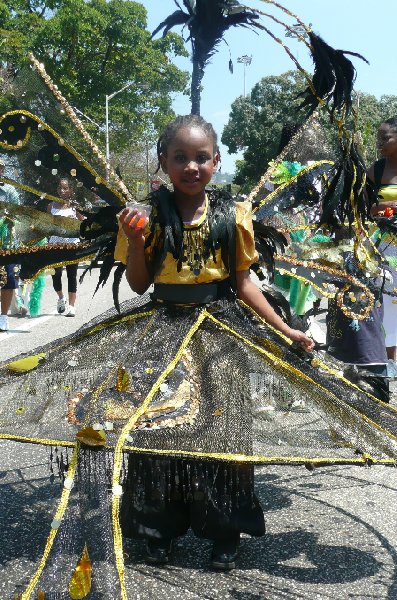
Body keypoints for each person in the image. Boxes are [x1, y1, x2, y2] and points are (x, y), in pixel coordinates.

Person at [116, 114, 313, 570]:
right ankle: (156, 531)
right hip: (162, 330)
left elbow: (243, 284)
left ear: (216, 161)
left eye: (201, 157)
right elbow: (139, 286)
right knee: (156, 430)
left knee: (221, 429)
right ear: (163, 162)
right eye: (180, 158)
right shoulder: (142, 215)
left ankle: (224, 531)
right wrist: (134, 238)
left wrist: (286, 330)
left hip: (220, 331)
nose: (191, 167)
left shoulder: (233, 216)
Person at [368, 116, 397, 362]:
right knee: (389, 299)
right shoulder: (376, 170)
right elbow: (362, 207)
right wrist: (386, 206)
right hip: (386, 245)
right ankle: (390, 358)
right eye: (378, 138)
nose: (379, 142)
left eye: (385, 138)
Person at [48, 177, 84, 317]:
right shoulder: (51, 206)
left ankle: (71, 306)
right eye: (60, 188)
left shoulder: (75, 207)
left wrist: (78, 223)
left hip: (71, 246)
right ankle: (61, 298)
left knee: (72, 275)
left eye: (65, 188)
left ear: (71, 190)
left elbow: (85, 222)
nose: (62, 191)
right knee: (56, 275)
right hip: (55, 246)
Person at [0, 158, 21, 331]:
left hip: (6, 243)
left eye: (0, 167)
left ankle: (3, 316)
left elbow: (17, 214)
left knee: (8, 281)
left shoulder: (9, 190)